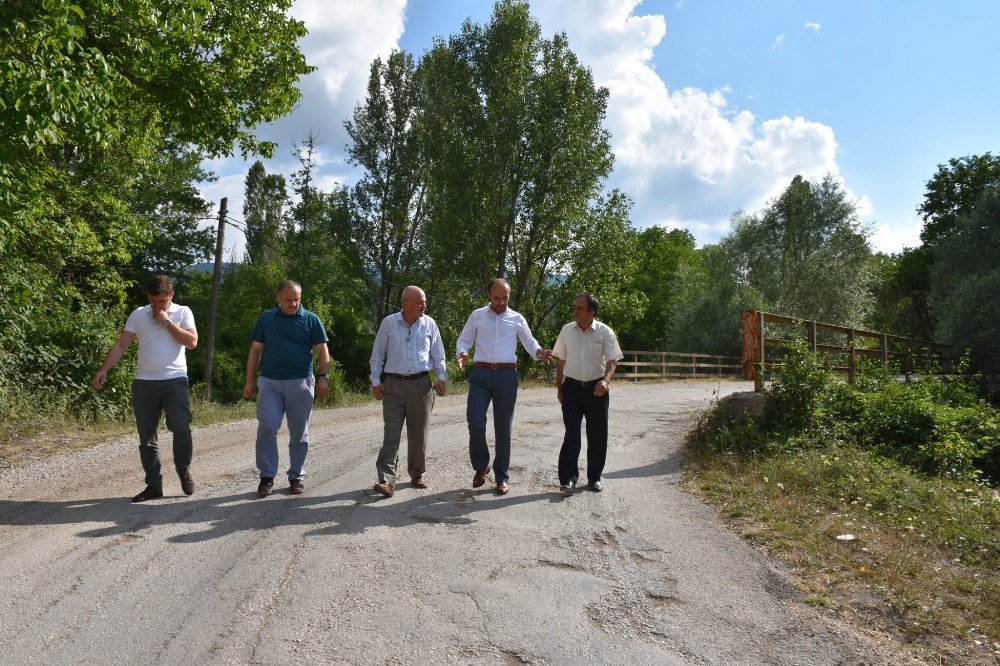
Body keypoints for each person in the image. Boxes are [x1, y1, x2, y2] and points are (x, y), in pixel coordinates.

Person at [93, 275, 199, 502]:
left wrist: (167, 322)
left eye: (162, 301)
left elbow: (191, 342)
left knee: (181, 428)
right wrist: (104, 369)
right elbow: (122, 344)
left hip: (175, 379)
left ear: (171, 296)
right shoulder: (139, 314)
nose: (157, 306)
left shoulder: (182, 312)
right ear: (148, 298)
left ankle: (183, 469)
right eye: (153, 302)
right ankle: (153, 485)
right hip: (144, 382)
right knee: (147, 437)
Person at [457, 278, 551, 495]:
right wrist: (462, 353)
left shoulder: (516, 318)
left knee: (503, 428)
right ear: (489, 295)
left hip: (507, 375)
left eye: (505, 298)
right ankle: (481, 466)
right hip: (480, 373)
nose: (501, 302)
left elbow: (530, 343)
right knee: (475, 421)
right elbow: (464, 340)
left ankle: (501, 477)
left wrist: (539, 353)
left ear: (509, 296)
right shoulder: (477, 315)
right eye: (497, 298)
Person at [244, 280, 330, 498]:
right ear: (278, 298)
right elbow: (255, 351)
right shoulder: (266, 319)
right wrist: (250, 381)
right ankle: (267, 476)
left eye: (297, 300)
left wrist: (323, 378)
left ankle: (296, 476)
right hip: (270, 383)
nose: (293, 304)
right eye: (289, 300)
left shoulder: (311, 319)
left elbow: (322, 350)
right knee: (267, 427)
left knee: (299, 433)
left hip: (300, 382)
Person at [369, 286, 447, 497]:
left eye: (424, 301)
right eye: (420, 302)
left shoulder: (430, 323)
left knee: (418, 432)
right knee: (391, 433)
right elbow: (377, 354)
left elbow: (438, 354)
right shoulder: (389, 323)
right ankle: (386, 480)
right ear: (406, 303)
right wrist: (375, 381)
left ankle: (417, 473)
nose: (424, 305)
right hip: (393, 384)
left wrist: (441, 378)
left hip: (421, 384)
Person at [552, 293, 624, 494]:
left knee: (597, 435)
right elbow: (561, 362)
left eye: (580, 309)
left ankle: (594, 478)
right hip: (572, 389)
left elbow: (611, 361)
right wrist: (559, 388)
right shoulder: (567, 331)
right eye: (575, 308)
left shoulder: (605, 332)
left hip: (596, 389)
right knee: (572, 434)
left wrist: (606, 381)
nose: (575, 312)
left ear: (592, 313)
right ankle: (567, 479)